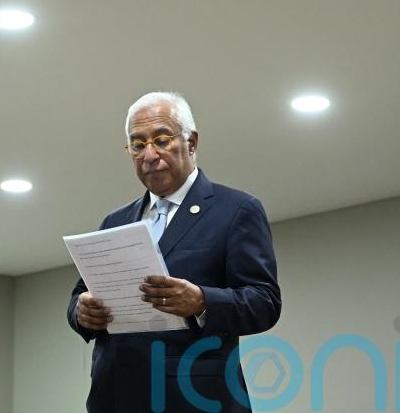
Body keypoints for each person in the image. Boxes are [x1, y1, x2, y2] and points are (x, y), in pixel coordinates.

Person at [67, 92, 281, 412]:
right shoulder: (115, 221)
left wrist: (202, 301)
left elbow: (265, 302)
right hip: (115, 396)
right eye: (137, 145)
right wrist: (81, 312)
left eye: (162, 140)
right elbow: (80, 294)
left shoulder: (237, 209)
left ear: (191, 142)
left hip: (196, 399)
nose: (149, 155)